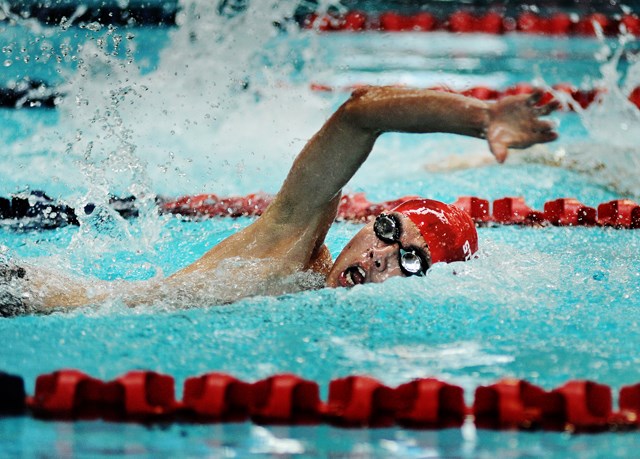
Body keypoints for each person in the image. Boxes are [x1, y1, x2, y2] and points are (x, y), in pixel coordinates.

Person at [1, 86, 558, 316]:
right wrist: (478, 118)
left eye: (410, 260)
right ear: (369, 222)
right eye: (389, 232)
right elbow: (362, 113)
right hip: (24, 289)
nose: (379, 257)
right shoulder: (292, 240)